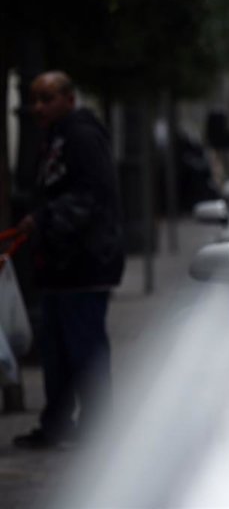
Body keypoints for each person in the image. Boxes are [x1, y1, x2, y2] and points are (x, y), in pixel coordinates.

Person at [12, 71, 124, 449]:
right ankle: (58, 425)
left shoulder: (81, 137)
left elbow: (91, 197)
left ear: (69, 99)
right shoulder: (57, 137)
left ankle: (96, 430)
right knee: (57, 351)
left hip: (84, 265)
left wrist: (43, 219)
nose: (38, 107)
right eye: (34, 100)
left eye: (47, 99)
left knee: (83, 349)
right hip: (62, 266)